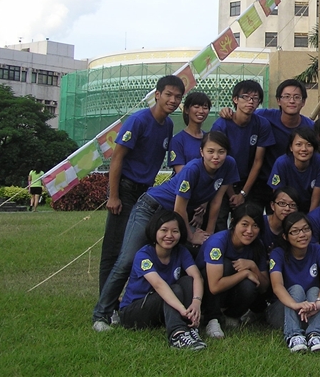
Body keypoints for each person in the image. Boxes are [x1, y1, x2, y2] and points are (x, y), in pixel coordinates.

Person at [93, 131, 238, 331]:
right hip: (151, 209)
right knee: (127, 259)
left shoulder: (229, 165)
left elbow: (216, 202)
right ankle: (101, 314)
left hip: (172, 217)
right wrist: (191, 235)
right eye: (210, 151)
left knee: (203, 254)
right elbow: (179, 209)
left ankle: (205, 314)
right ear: (201, 152)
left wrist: (208, 234)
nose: (216, 156)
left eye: (221, 152)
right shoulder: (192, 169)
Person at [98, 75, 183, 298]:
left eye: (177, 97)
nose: (173, 100)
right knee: (114, 249)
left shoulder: (168, 125)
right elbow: (117, 158)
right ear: (157, 95)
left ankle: (129, 298)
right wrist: (114, 195)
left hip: (145, 193)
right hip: (125, 189)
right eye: (168, 95)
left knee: (135, 248)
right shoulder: (139, 120)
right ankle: (106, 304)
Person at [217, 79, 315, 208]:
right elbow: (244, 113)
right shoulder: (264, 117)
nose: (291, 101)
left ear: (303, 102)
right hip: (260, 182)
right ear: (278, 100)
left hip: (290, 183)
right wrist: (226, 111)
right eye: (286, 96)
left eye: (297, 97)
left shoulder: (310, 128)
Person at [118, 209, 207, 350]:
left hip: (161, 307)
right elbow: (159, 285)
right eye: (164, 230)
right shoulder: (144, 255)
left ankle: (191, 328)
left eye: (175, 231)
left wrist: (196, 302)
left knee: (188, 281)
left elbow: (197, 276)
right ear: (154, 231)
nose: (169, 235)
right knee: (174, 288)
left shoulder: (181, 251)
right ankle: (177, 335)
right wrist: (183, 310)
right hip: (133, 312)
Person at [199, 203, 269, 339]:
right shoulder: (218, 242)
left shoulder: (257, 245)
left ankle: (232, 316)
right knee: (226, 265)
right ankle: (211, 318)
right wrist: (245, 273)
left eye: (255, 226)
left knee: (250, 285)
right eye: (244, 224)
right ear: (233, 223)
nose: (249, 231)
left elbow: (264, 287)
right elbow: (214, 286)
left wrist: (253, 266)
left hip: (231, 290)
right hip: (206, 290)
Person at [269, 213, 320, 353]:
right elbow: (277, 286)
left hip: (313, 311)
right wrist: (295, 305)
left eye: (305, 229)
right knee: (296, 289)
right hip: (284, 311)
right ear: (285, 236)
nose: (302, 235)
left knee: (315, 290)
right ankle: (294, 335)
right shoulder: (278, 254)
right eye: (295, 231)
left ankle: (316, 335)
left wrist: (319, 303)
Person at [212, 80, 275, 212]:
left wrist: (242, 194)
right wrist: (232, 195)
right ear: (235, 99)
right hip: (222, 181)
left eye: (255, 98)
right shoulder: (221, 125)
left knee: (249, 218)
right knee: (219, 219)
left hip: (248, 183)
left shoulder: (262, 124)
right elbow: (219, 161)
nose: (250, 101)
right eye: (245, 97)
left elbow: (258, 161)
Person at [268, 127, 320, 212]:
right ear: (291, 147)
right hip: (288, 208)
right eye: (298, 144)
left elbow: (317, 197)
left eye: (309, 145)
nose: (304, 149)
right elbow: (279, 197)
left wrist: (310, 218)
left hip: (313, 208)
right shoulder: (281, 163)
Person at [168, 92, 212, 174]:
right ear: (186, 110)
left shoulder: (209, 139)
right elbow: (181, 173)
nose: (201, 111)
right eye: (196, 107)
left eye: (205, 107)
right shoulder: (178, 140)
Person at [263, 187, 299, 252]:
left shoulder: (298, 230)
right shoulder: (260, 222)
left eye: (292, 205)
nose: (287, 208)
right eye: (282, 203)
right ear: (272, 205)